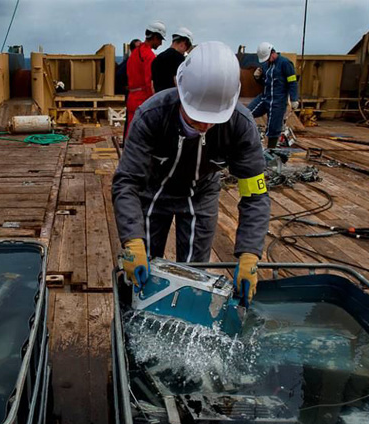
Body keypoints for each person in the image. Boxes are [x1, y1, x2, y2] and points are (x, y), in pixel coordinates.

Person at [113, 41, 270, 302]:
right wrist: (132, 240)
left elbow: (255, 194)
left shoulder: (241, 126)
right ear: (180, 88)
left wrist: (250, 253)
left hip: (201, 195)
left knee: (193, 275)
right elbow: (127, 182)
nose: (204, 125)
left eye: (213, 118)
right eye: (195, 117)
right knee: (144, 272)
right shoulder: (151, 115)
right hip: (153, 192)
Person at [248, 42, 299, 148]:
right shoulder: (266, 65)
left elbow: (292, 82)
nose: (266, 61)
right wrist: (257, 78)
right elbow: (265, 82)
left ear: (272, 53)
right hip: (265, 97)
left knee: (273, 128)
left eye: (267, 58)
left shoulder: (285, 64)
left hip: (278, 101)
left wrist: (294, 99)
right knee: (247, 113)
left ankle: (271, 150)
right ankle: (248, 138)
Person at [124, 21, 166, 138]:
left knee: (131, 132)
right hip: (142, 100)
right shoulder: (149, 56)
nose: (161, 43)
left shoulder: (135, 53)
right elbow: (149, 83)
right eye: (160, 40)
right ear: (155, 37)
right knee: (144, 135)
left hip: (132, 98)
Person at [151, 27, 193, 93]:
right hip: (172, 99)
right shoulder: (178, 58)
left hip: (160, 99)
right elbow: (178, 82)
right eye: (187, 46)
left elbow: (152, 86)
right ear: (184, 43)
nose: (186, 50)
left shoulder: (157, 59)